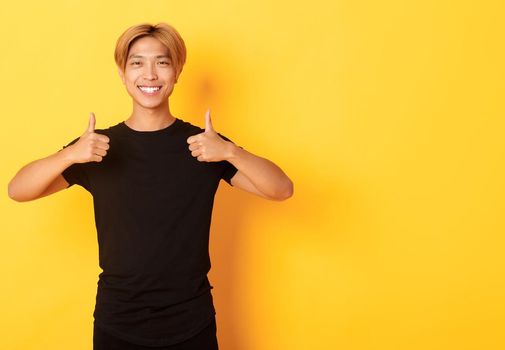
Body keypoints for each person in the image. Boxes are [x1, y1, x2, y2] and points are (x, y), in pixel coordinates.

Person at [7, 22, 294, 349]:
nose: (150, 74)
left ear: (177, 71)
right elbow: (18, 190)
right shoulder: (98, 147)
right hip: (118, 321)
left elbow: (281, 189)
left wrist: (229, 150)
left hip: (192, 320)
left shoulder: (204, 146)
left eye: (162, 62)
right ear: (122, 73)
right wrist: (70, 154)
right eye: (137, 62)